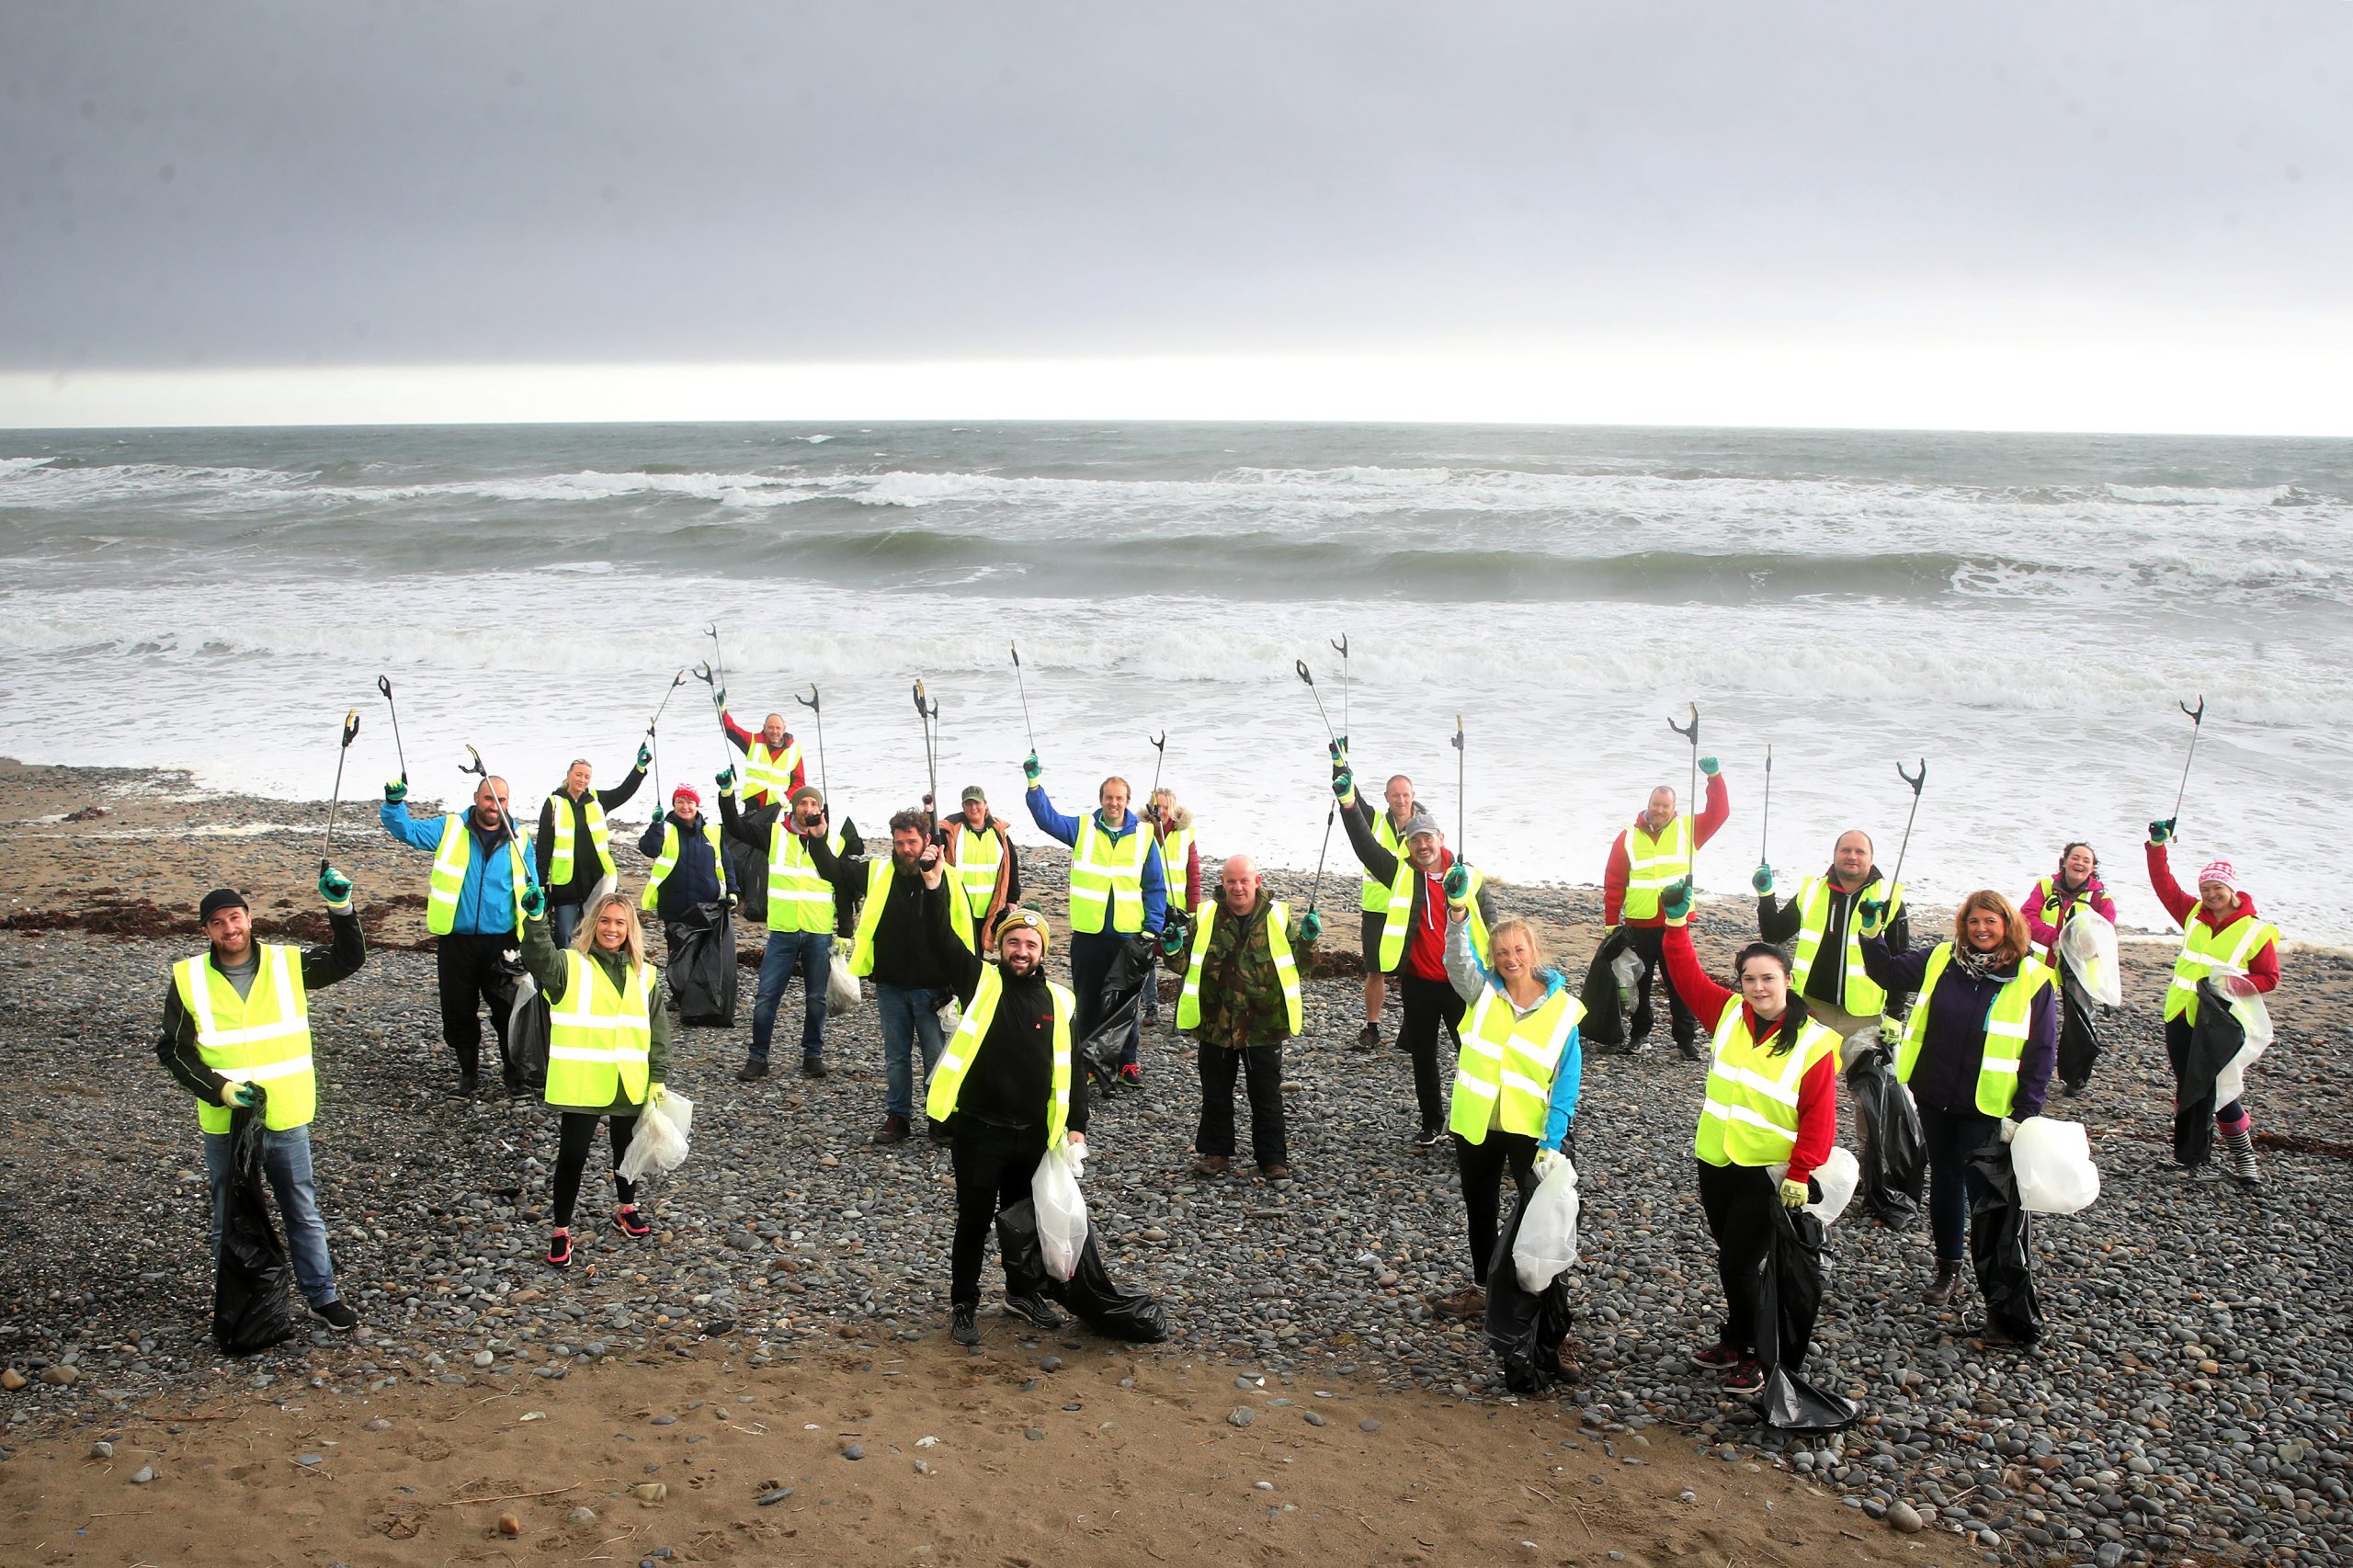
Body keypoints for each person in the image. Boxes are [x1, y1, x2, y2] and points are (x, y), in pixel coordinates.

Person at [155, 870, 368, 1331]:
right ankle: (241, 1301)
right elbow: (173, 1050)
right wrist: (221, 1090)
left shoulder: (287, 964)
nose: (229, 928)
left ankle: (322, 1297)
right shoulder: (188, 977)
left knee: (301, 1210)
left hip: (285, 1115)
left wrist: (342, 908)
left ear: (250, 919)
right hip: (226, 1122)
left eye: (235, 917)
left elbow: (349, 958)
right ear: (206, 931)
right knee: (228, 1218)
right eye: (217, 922)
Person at [1658, 917, 1842, 1393]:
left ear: (1787, 981)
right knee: (1732, 1256)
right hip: (1717, 1158)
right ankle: (1738, 1339)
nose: (1759, 988)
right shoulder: (1727, 1014)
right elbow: (1686, 976)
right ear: (1740, 983)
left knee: (1738, 1262)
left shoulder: (1813, 1041)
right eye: (1749, 979)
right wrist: (1676, 926)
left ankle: (1761, 1355)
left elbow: (1819, 1117)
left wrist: (1801, 1172)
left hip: (1770, 1171)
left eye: (1768, 978)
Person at [1859, 890, 2057, 1325]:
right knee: (1946, 1182)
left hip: (1987, 1107)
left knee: (1988, 1199)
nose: (1981, 930)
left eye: (1990, 921)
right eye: (1973, 922)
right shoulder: (1941, 960)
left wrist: (2024, 1113)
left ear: (2008, 925)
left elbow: (2041, 1052)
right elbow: (1886, 971)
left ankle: (1999, 1292)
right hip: (1934, 1095)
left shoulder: (2033, 978)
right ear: (1962, 926)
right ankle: (1947, 1268)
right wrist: (1871, 931)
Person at [918, 856, 1087, 1346]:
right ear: (1000, 945)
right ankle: (964, 1304)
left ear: (1042, 952)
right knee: (973, 1221)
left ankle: (1022, 1293)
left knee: (1021, 1221)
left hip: (1033, 1134)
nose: (1021, 950)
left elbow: (1073, 1067)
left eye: (1030, 944)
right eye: (1013, 941)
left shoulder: (1061, 1000)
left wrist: (1077, 1122)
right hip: (980, 1130)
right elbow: (945, 943)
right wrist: (933, 886)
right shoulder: (982, 983)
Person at [1438, 893, 1584, 1322]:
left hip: (1531, 1130)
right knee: (1479, 1207)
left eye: (1518, 950)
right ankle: (1484, 1286)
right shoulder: (1481, 992)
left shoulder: (1563, 1010)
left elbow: (1566, 1082)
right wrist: (1458, 916)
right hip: (1476, 1123)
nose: (1510, 958)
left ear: (1534, 952)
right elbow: (1456, 960)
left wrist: (1553, 1138)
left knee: (1537, 1217)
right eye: (1501, 952)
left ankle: (1531, 1297)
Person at [1336, 768, 1494, 1146]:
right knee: (1423, 1057)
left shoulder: (1468, 877)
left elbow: (1493, 926)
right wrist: (1348, 803)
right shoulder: (1401, 875)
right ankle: (1432, 1122)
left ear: (1440, 839)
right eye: (1414, 840)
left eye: (1427, 838)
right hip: (1419, 983)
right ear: (1406, 846)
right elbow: (1365, 847)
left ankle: (1478, 1123)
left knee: (1472, 1057)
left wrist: (1497, 975)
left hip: (1464, 985)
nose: (1422, 845)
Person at [517, 886, 670, 1266]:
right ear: (592, 924)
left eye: (620, 922)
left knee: (627, 1152)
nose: (611, 928)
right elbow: (538, 958)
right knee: (572, 1155)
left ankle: (626, 1207)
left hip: (628, 1080)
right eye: (604, 920)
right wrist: (535, 921)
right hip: (582, 1080)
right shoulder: (570, 965)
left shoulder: (645, 974)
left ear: (630, 929)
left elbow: (657, 1029)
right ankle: (561, 1231)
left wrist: (658, 1075)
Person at [1160, 854, 1320, 1179]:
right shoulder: (1204, 916)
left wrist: (1308, 940)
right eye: (1231, 881)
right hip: (1215, 1022)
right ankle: (1216, 1152)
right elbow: (1182, 966)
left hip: (1264, 1023)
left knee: (1266, 1094)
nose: (1238, 887)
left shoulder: (1277, 916)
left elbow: (1302, 965)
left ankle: (1273, 1158)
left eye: (1244, 881)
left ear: (1257, 882)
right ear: (1222, 882)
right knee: (1216, 1092)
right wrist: (1173, 949)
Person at [381, 773, 539, 1094]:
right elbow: (407, 830)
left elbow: (533, 886)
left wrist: (537, 906)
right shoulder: (450, 828)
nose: (494, 806)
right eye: (488, 798)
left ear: (508, 803)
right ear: (476, 798)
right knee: (458, 1009)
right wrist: (395, 805)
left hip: (502, 944)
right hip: (457, 941)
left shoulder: (520, 838)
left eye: (501, 800)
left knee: (508, 1011)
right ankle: (468, 1074)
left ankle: (514, 1074)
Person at [2146, 823, 2281, 1185]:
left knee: (2217, 1085)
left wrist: (2239, 984)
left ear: (2231, 889)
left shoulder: (2255, 930)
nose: (2210, 895)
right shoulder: (2192, 914)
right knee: (2187, 1085)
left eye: (2217, 888)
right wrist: (2157, 846)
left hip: (2221, 1020)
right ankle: (2190, 1157)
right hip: (2179, 1013)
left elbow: (2269, 978)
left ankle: (2245, 1160)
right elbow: (2164, 886)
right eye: (2205, 889)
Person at [1023, 754, 1167, 1085]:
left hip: (1129, 936)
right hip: (1088, 934)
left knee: (1125, 1003)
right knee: (1087, 1002)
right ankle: (1088, 1063)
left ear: (1128, 802)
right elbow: (1047, 819)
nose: (1113, 803)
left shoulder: (1145, 836)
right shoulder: (1082, 828)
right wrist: (1034, 784)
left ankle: (1127, 1063)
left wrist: (1152, 929)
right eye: (1108, 797)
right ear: (1100, 800)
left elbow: (1155, 886)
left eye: (1119, 798)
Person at [718, 776, 861, 1080]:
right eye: (803, 803)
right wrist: (727, 793)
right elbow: (734, 825)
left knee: (816, 997)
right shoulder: (774, 835)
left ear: (820, 810)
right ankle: (758, 1058)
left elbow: (845, 889)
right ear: (794, 808)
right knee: (767, 996)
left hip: (818, 931)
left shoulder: (834, 840)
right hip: (782, 931)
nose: (808, 808)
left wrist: (846, 931)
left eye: (814, 803)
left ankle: (813, 1055)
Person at [848, 807, 975, 1142]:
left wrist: (955, 983)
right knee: (896, 1056)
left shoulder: (946, 879)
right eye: (900, 842)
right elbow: (836, 871)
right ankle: (898, 1117)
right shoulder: (880, 874)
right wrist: (819, 838)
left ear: (926, 841)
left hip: (932, 988)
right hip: (890, 984)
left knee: (936, 1056)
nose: (906, 848)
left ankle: (938, 1118)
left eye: (912, 842)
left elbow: (960, 931)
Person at [1602, 764, 1731, 1058]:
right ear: (1648, 805)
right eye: (1655, 805)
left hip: (1676, 923)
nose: (1660, 810)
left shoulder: (1688, 829)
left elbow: (1720, 812)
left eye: (1665, 806)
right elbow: (1614, 881)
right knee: (1640, 984)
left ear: (1674, 808)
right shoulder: (1627, 837)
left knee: (1681, 983)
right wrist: (1611, 923)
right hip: (1638, 923)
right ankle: (1639, 1035)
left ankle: (1686, 1041)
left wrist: (1714, 778)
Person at [1754, 829, 1911, 1041]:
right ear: (1835, 854)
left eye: (1860, 851)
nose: (1852, 856)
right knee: (1810, 1073)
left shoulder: (1888, 897)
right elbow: (1774, 934)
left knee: (1863, 1075)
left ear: (1871, 858)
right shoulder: (1812, 890)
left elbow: (1901, 959)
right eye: (1845, 850)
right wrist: (1765, 895)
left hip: (1864, 1014)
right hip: (1813, 1007)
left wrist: (1895, 1014)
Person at [1331, 743, 1417, 1051]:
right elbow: (1350, 798)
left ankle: (1413, 1029)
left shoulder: (1425, 828)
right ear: (1387, 798)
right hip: (1377, 909)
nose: (1401, 800)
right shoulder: (1375, 819)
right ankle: (1372, 1027)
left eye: (1406, 795)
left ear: (1413, 796)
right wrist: (1338, 762)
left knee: (1414, 972)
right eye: (1395, 795)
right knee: (1375, 971)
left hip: (1411, 910)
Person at [2021, 841, 2119, 1096]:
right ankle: (2025, 1069)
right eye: (2075, 857)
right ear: (2064, 861)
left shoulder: (2101, 898)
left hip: (2082, 969)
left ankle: (2075, 1078)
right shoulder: (2044, 887)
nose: (2080, 863)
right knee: (2033, 1020)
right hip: (2044, 965)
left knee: (2081, 1025)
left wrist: (2076, 943)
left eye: (2086, 860)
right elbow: (2026, 917)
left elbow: (2105, 931)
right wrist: (2054, 938)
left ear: (2092, 868)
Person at [535, 748, 650, 947]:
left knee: (596, 932)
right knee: (563, 933)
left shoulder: (597, 800)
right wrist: (540, 884)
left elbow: (623, 792)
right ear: (569, 775)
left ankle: (592, 970)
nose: (582, 780)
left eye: (587, 776)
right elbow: (544, 847)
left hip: (598, 880)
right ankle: (564, 972)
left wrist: (639, 768)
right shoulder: (554, 804)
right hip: (566, 884)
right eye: (578, 774)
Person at [637, 783, 727, 953]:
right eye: (680, 802)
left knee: (705, 954)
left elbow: (727, 863)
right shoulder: (665, 828)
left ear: (697, 805)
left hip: (707, 907)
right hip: (674, 907)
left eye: (690, 802)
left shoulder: (712, 831)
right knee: (678, 953)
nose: (685, 806)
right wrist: (656, 825)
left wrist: (734, 891)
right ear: (673, 805)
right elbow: (649, 849)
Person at [1142, 786, 1199, 1028]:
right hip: (1149, 906)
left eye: (1166, 807)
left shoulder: (1186, 834)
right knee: (1145, 958)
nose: (1162, 811)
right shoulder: (1141, 832)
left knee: (1185, 960)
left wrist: (1195, 908)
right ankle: (1151, 1007)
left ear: (1174, 809)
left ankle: (1180, 1015)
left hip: (1178, 909)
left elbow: (1193, 873)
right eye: (1158, 806)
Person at [942, 784, 1022, 950]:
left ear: (985, 804)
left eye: (977, 803)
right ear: (963, 807)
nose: (973, 808)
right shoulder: (952, 831)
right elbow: (929, 838)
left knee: (978, 952)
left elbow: (1011, 864)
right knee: (955, 950)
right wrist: (929, 811)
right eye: (968, 804)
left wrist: (1012, 899)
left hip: (989, 908)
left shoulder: (999, 832)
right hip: (959, 906)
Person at [710, 685, 808, 811]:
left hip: (778, 806)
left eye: (778, 728)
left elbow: (799, 782)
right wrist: (722, 710)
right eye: (770, 727)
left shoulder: (794, 750)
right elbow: (730, 730)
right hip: (753, 804)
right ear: (764, 728)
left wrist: (788, 797)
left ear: (784, 729)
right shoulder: (753, 741)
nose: (774, 731)